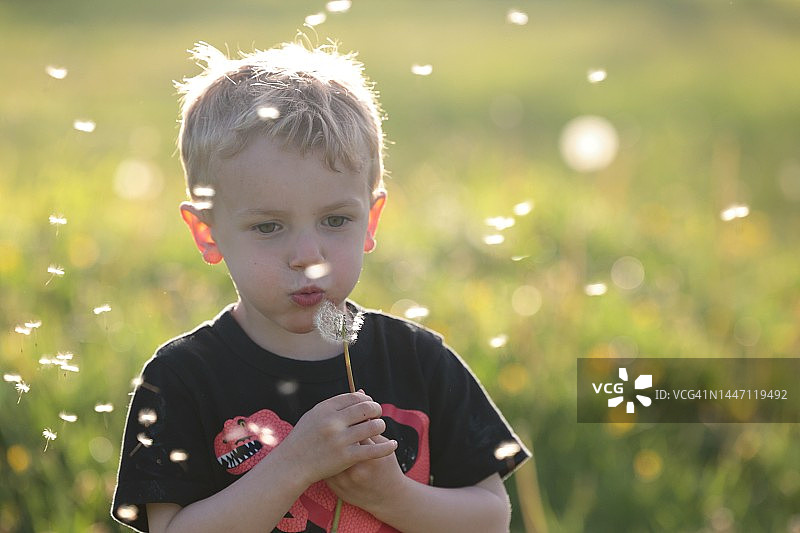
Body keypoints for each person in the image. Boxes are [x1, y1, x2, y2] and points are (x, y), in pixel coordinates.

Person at [112, 40, 530, 533]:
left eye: (335, 220)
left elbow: (492, 517)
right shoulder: (182, 378)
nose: (309, 257)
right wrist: (294, 464)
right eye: (269, 226)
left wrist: (391, 496)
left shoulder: (419, 362)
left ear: (371, 220)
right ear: (206, 233)